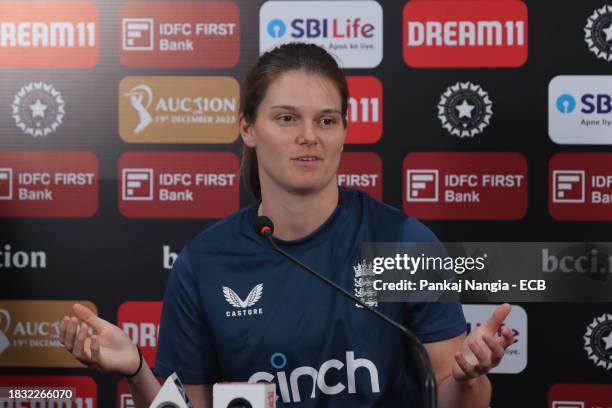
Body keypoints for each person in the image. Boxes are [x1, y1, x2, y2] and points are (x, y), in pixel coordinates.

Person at [59, 43, 514, 408]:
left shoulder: (399, 242)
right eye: (287, 118)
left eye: (327, 120)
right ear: (248, 129)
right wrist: (139, 371)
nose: (309, 136)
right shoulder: (205, 263)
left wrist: (467, 376)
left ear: (344, 132)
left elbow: (455, 397)